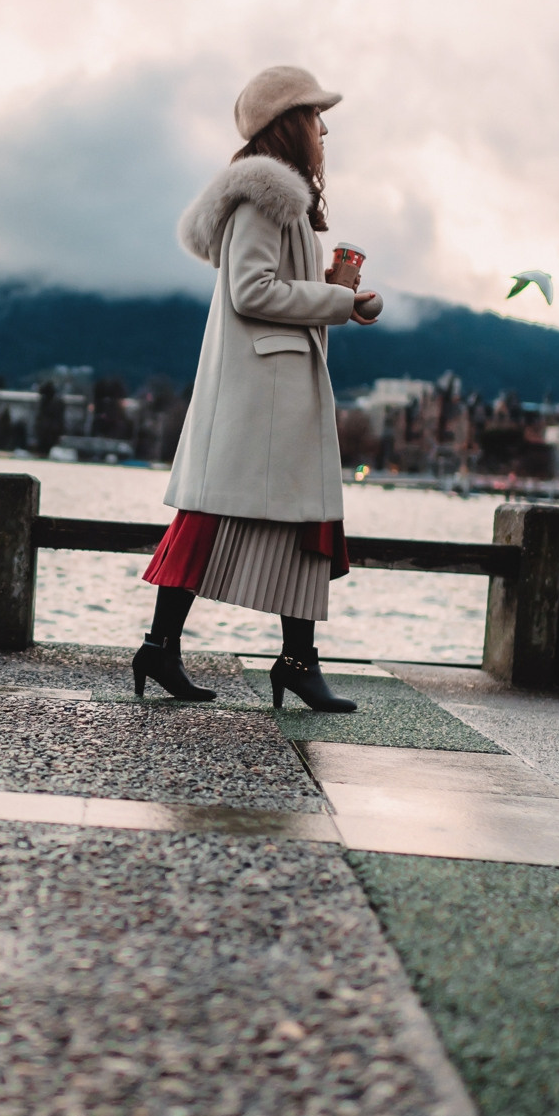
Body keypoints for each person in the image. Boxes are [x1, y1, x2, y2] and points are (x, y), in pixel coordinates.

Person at [132, 66, 378, 713]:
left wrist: (338, 297)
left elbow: (266, 287)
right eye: (316, 116)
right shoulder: (264, 197)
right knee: (240, 519)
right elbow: (252, 291)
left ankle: (260, 657)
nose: (325, 129)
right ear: (291, 124)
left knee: (299, 520)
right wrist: (337, 299)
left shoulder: (279, 198)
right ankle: (250, 657)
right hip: (262, 396)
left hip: (271, 391)